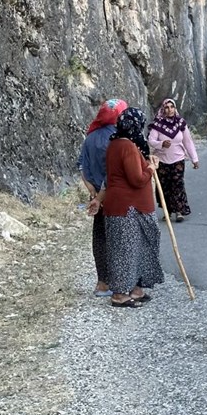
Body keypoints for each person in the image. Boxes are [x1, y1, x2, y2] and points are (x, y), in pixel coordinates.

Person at [99, 108, 164, 308]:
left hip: (127, 207)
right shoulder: (126, 146)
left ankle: (136, 288)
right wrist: (151, 170)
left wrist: (147, 163)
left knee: (137, 248)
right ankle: (119, 294)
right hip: (127, 208)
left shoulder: (117, 144)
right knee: (125, 251)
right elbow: (136, 179)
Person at [80, 98, 128, 297]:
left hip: (97, 196)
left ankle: (102, 283)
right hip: (115, 196)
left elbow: (82, 168)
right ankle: (121, 284)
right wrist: (101, 196)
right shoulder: (117, 138)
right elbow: (113, 174)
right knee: (119, 238)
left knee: (100, 238)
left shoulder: (89, 137)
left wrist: (93, 193)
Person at [147, 98, 200, 223]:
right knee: (165, 186)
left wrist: (194, 158)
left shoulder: (180, 123)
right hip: (162, 161)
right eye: (167, 107)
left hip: (178, 159)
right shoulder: (158, 124)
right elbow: (151, 140)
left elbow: (187, 141)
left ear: (175, 108)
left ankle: (179, 211)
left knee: (177, 184)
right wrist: (161, 144)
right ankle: (168, 211)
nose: (170, 109)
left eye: (172, 107)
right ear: (163, 109)